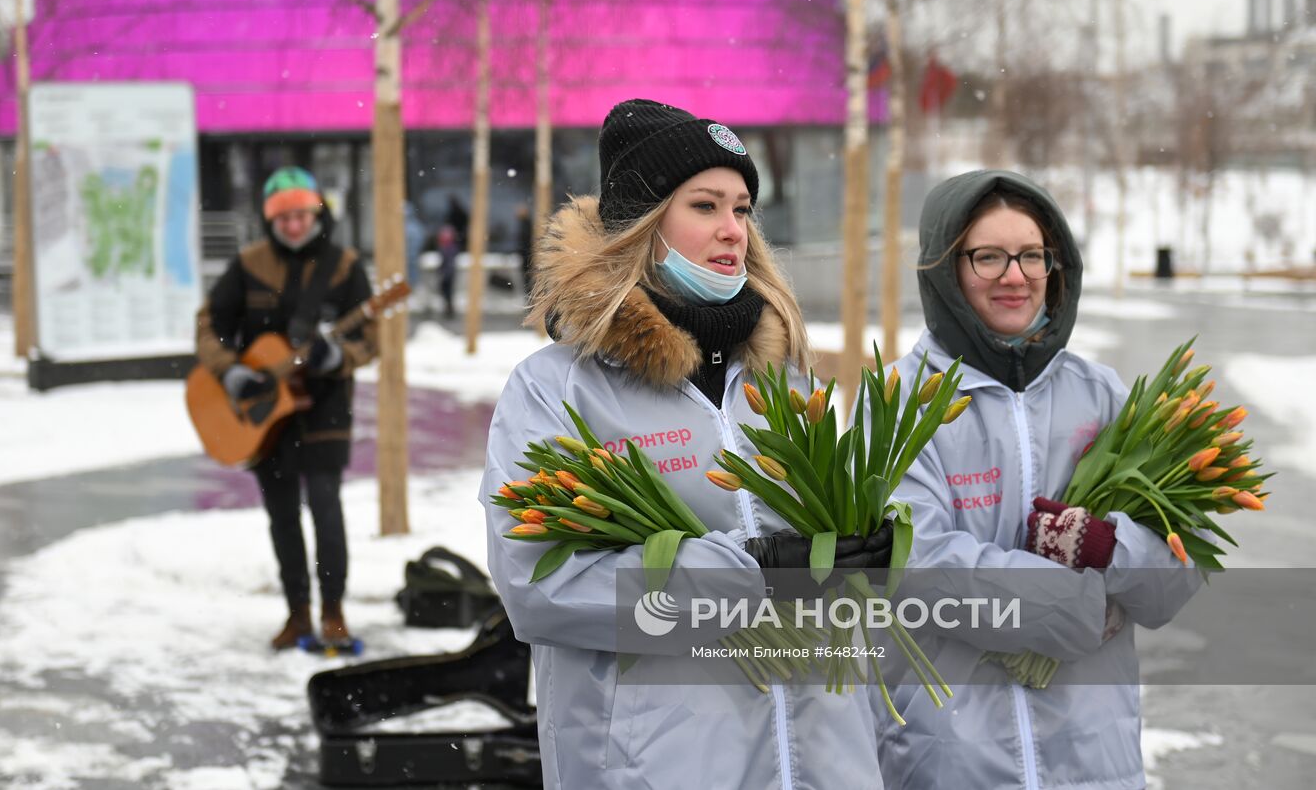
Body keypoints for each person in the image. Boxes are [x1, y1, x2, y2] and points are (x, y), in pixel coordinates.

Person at [480, 99, 890, 789]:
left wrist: (858, 566)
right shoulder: (558, 390)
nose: (733, 229)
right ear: (643, 226)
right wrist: (749, 573)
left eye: (742, 208)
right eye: (705, 205)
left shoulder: (784, 381)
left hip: (820, 761)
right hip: (661, 767)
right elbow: (539, 587)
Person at [876, 170, 1202, 789]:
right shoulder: (897, 405)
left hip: (1095, 758)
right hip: (950, 757)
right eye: (988, 257)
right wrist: (1088, 602)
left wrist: (1108, 548)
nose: (1015, 276)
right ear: (944, 270)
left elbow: (1175, 581)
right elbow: (921, 568)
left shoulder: (1103, 395)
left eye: (1031, 256)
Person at [195, 167, 378, 651]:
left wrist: (339, 355)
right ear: (269, 220)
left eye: (301, 215)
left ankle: (333, 611)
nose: (293, 226)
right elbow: (210, 325)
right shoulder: (248, 264)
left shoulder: (344, 267)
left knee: (325, 506)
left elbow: (368, 337)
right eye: (283, 218)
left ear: (317, 212)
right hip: (261, 415)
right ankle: (296, 613)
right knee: (281, 515)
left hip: (324, 405)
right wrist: (230, 370)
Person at [435, 223, 459, 319]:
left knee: (447, 292)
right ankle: (448, 309)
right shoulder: (449, 248)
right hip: (448, 273)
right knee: (447, 293)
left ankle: (449, 310)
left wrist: (443, 272)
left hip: (448, 274)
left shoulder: (447, 249)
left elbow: (446, 262)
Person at [513, 203, 533, 299]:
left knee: (527, 279)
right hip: (526, 255)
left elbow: (525, 241)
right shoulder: (525, 224)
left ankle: (529, 297)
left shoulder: (526, 224)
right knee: (526, 279)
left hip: (526, 256)